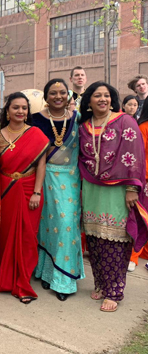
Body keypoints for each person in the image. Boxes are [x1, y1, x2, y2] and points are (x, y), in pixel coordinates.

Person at [79, 81, 148, 312]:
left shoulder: (124, 121)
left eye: (106, 96)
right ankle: (100, 283)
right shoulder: (84, 126)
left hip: (119, 188)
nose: (102, 99)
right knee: (95, 239)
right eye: (97, 95)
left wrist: (132, 188)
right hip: (92, 188)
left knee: (116, 240)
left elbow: (136, 154)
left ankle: (114, 291)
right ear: (88, 100)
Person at [0, 92, 49, 304]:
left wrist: (37, 192)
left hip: (28, 191)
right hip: (4, 191)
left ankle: (22, 283)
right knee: (5, 236)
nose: (20, 111)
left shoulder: (36, 135)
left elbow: (41, 165)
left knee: (26, 238)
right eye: (15, 107)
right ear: (7, 110)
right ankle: (2, 278)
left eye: (24, 108)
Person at [33, 79, 84, 302]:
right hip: (44, 178)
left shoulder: (77, 119)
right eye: (53, 93)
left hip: (71, 179)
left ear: (69, 96)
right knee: (46, 225)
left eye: (62, 92)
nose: (58, 96)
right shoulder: (35, 120)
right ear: (46, 97)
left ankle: (64, 279)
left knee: (66, 225)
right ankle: (46, 271)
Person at [128, 100, 148, 272]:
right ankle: (133, 256)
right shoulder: (143, 128)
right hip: (145, 180)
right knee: (141, 218)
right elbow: (139, 156)